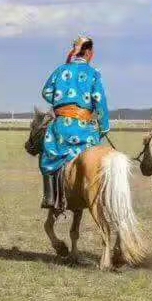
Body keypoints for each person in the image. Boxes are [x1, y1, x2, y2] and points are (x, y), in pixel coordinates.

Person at [38, 36, 110, 212]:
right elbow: (100, 102)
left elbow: (46, 92)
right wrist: (104, 126)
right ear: (90, 53)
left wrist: (61, 100)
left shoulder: (60, 70)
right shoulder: (94, 74)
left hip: (61, 127)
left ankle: (50, 197)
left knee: (48, 156)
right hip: (85, 129)